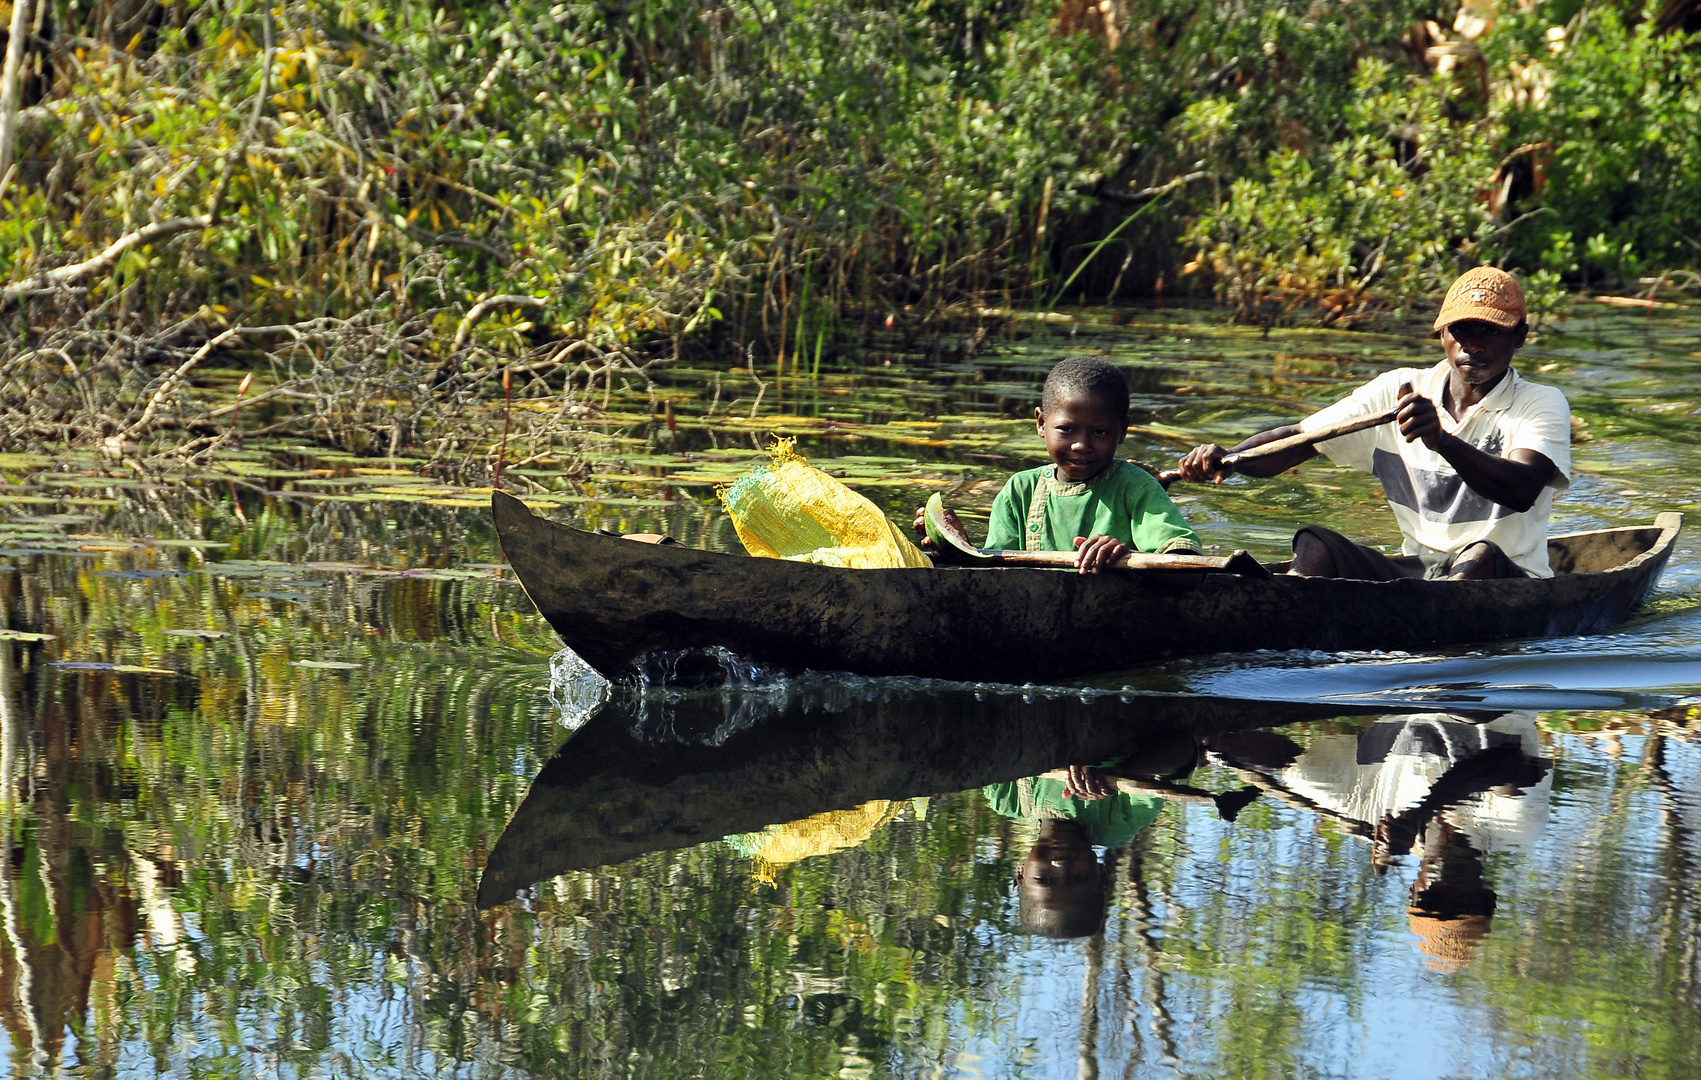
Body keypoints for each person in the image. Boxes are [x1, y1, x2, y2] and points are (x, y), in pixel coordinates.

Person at [1174, 267, 1571, 579]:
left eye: (1490, 331)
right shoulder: (1397, 390)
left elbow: (1520, 490)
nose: (1472, 345)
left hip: (1506, 576)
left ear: (1520, 336)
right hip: (1420, 572)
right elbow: (1298, 438)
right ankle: (1290, 614)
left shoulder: (1539, 403)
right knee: (1315, 543)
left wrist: (1443, 442)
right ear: (1442, 335)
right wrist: (1227, 459)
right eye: (1461, 331)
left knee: (1480, 555)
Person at [915, 355, 1201, 573]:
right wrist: (960, 549)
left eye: (1100, 432)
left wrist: (1127, 556)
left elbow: (1188, 568)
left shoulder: (1136, 486)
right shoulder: (1019, 491)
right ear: (1041, 423)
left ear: (1123, 431)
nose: (1081, 444)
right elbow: (996, 573)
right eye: (1067, 429)